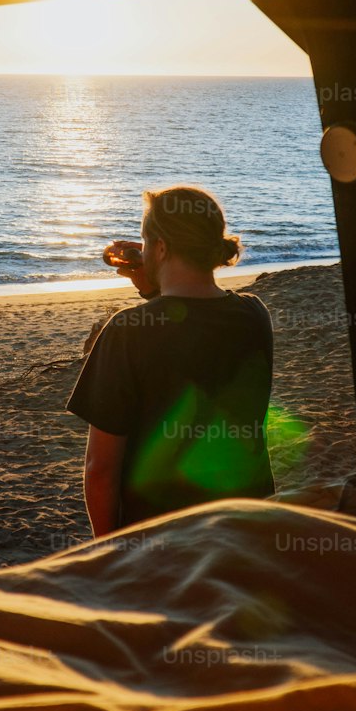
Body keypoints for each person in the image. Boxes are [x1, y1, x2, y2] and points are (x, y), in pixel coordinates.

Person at [66, 185, 276, 536]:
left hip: (165, 538)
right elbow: (193, 327)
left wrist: (109, 552)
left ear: (161, 247)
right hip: (247, 526)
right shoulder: (254, 314)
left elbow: (100, 470)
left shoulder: (127, 332)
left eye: (146, 243)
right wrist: (154, 288)